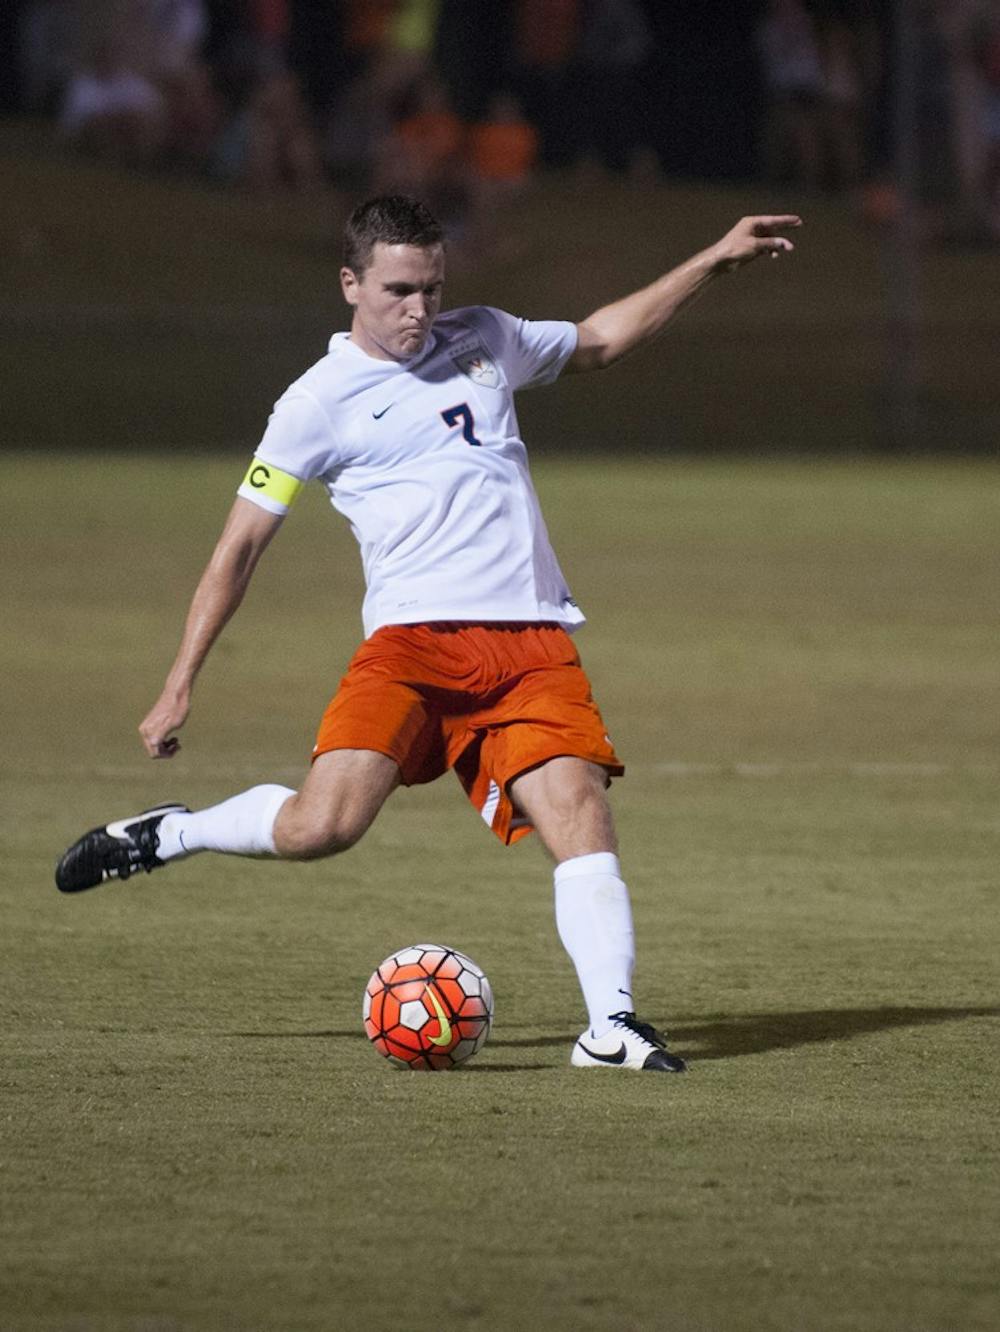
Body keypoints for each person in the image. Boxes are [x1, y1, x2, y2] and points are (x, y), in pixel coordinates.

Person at [55, 195, 800, 1073]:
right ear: (350, 284)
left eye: (432, 289)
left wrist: (713, 258)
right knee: (321, 827)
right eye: (400, 290)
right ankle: (173, 833)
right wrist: (180, 679)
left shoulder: (484, 338)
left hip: (530, 643)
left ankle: (611, 1028)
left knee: (581, 816)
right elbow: (239, 547)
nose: (420, 309)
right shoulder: (314, 404)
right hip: (410, 648)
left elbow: (600, 338)